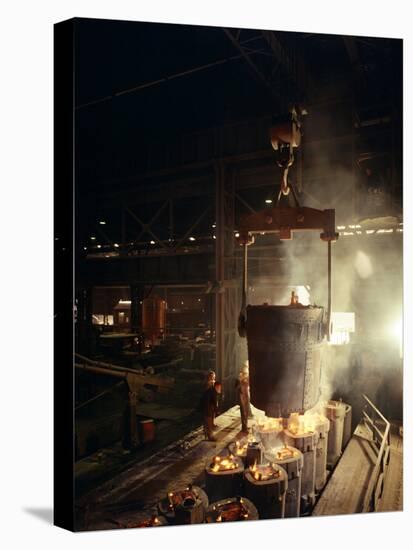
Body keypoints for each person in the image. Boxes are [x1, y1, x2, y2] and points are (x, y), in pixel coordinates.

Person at [236, 362, 251, 433]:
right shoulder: (240, 376)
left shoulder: (248, 375)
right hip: (242, 395)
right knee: (243, 411)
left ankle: (245, 425)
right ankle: (244, 428)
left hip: (247, 394)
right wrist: (241, 381)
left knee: (247, 411)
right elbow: (236, 386)